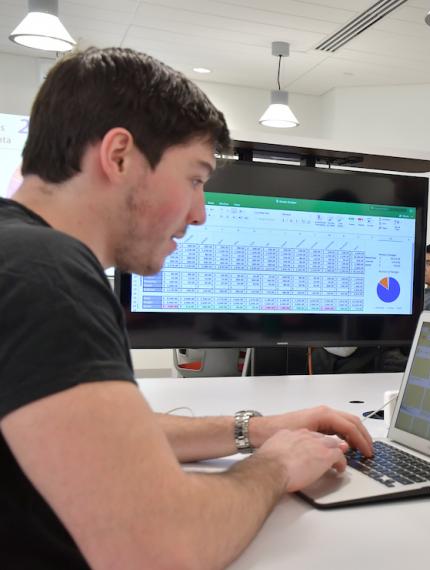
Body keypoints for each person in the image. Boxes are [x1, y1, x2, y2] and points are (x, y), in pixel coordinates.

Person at [0, 47, 373, 568]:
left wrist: (252, 429)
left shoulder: (17, 254)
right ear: (120, 156)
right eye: (195, 179)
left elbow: (95, 436)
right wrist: (275, 465)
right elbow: (164, 547)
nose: (199, 214)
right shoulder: (47, 273)